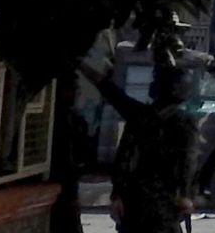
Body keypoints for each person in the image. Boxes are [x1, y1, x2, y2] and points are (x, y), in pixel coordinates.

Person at [80, 60, 196, 233]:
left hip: (135, 199)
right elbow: (187, 162)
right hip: (163, 202)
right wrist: (185, 195)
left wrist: (117, 193)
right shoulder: (184, 122)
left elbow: (110, 90)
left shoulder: (138, 115)